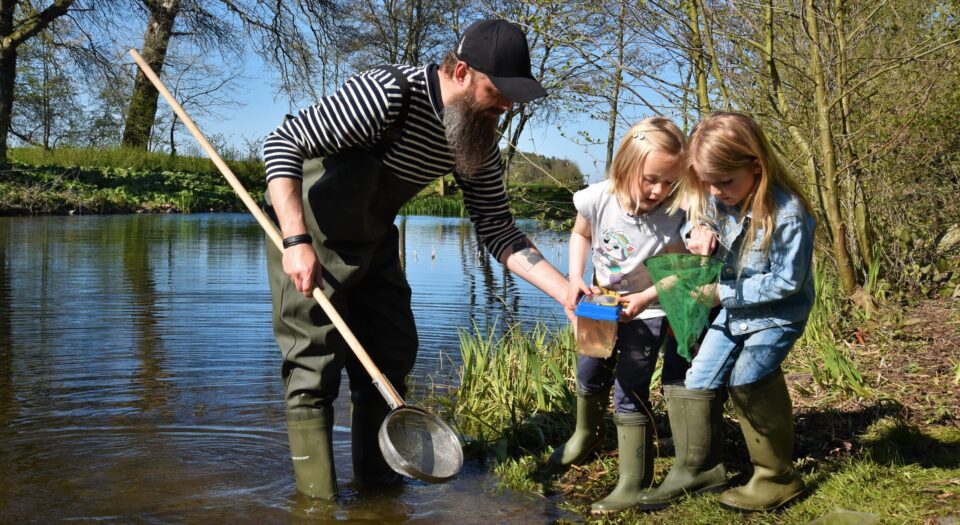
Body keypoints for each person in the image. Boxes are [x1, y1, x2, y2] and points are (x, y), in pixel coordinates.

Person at [261, 19, 569, 500]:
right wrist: (295, 240)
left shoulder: (477, 141)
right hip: (309, 232)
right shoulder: (387, 93)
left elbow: (498, 229)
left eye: (514, 95)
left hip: (375, 238)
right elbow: (282, 142)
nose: (507, 105)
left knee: (391, 351)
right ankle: (317, 504)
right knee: (312, 368)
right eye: (499, 90)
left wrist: (567, 291)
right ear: (463, 71)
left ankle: (378, 489)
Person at [637, 111, 816, 511]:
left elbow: (788, 282)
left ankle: (777, 477)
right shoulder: (720, 199)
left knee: (748, 378)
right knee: (698, 378)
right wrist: (700, 236)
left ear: (755, 164)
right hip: (734, 311)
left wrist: (720, 293)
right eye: (708, 183)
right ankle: (699, 469)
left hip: (777, 316)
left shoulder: (787, 215)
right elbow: (697, 223)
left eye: (725, 182)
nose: (716, 191)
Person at [550, 117, 691, 514]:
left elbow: (681, 271)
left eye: (669, 182)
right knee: (590, 369)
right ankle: (585, 435)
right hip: (600, 301)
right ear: (625, 166)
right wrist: (575, 277)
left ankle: (634, 479)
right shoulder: (598, 198)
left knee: (630, 385)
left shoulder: (674, 215)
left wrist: (647, 297)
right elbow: (581, 234)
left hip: (651, 307)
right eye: (650, 179)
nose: (659, 191)